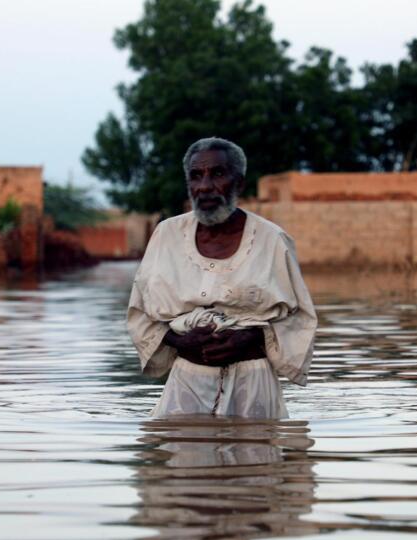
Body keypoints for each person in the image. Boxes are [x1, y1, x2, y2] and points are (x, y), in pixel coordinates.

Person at [126, 137, 317, 419]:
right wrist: (179, 342)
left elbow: (301, 319)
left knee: (259, 460)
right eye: (196, 176)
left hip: (254, 386)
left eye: (217, 174)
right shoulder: (166, 235)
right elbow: (139, 313)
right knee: (184, 457)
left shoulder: (272, 240)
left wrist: (254, 337)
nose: (204, 186)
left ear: (238, 183)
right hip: (186, 383)